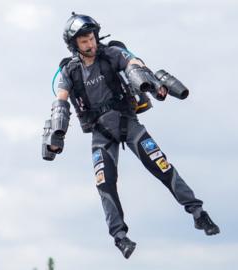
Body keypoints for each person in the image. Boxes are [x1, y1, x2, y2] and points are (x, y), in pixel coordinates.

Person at [42, 13, 220, 259]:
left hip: (128, 123)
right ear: (74, 45)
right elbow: (60, 98)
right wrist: (56, 137)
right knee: (105, 184)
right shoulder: (69, 71)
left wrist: (150, 82)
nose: (90, 44)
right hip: (100, 133)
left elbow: (133, 64)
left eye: (91, 38)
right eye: (84, 41)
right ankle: (120, 237)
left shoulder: (112, 53)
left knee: (162, 166)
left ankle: (198, 213)